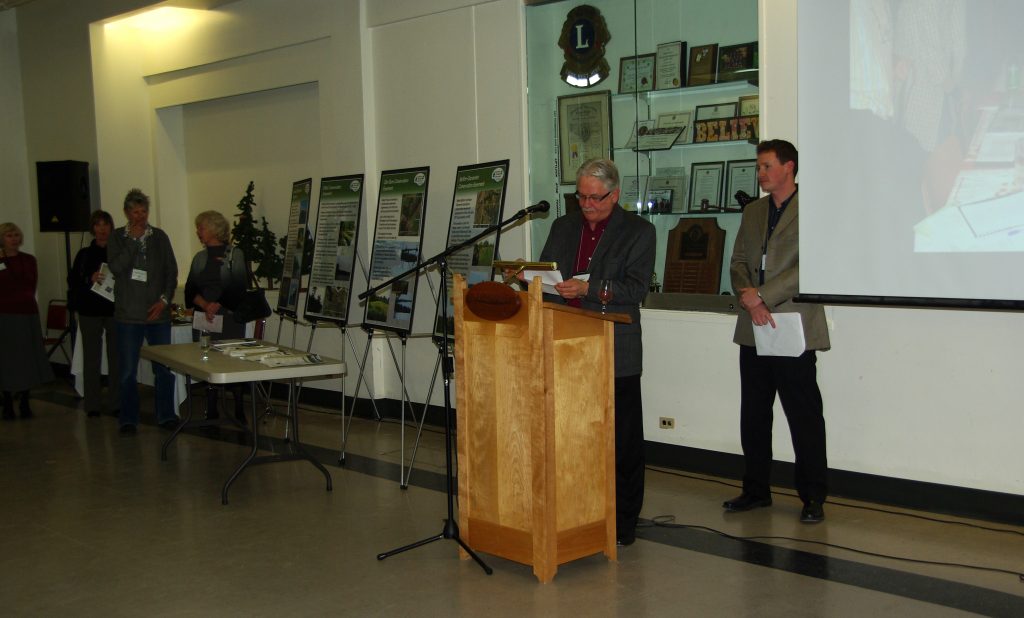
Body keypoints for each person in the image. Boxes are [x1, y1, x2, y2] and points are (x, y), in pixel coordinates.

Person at [531, 158, 656, 546]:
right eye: (580, 196)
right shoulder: (562, 226)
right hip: (565, 344)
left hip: (613, 347)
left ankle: (624, 523)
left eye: (595, 198)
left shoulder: (639, 231)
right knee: (572, 437)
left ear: (615, 195)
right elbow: (548, 271)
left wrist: (590, 288)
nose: (586, 205)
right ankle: (577, 513)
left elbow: (636, 290)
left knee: (622, 441)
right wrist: (531, 279)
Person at [725, 139, 831, 524]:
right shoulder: (753, 211)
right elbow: (738, 261)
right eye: (759, 168)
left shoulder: (812, 208)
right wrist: (748, 296)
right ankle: (755, 490)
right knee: (753, 414)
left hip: (793, 324)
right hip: (754, 327)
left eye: (768, 166)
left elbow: (812, 266)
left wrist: (764, 296)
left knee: (803, 416)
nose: (761, 174)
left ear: (789, 167)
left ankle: (813, 497)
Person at [107, 188, 179, 435]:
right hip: (128, 315)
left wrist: (164, 300)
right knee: (127, 371)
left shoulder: (160, 237)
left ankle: (166, 415)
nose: (140, 216)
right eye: (135, 212)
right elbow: (116, 268)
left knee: (163, 369)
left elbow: (171, 272)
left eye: (144, 211)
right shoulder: (117, 237)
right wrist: (134, 242)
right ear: (127, 213)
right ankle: (128, 419)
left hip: (157, 314)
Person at [184, 210, 249, 424]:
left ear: (213, 229)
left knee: (233, 360)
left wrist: (217, 305)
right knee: (207, 360)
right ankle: (210, 407)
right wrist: (205, 305)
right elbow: (190, 290)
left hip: (229, 317)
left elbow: (239, 286)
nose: (198, 232)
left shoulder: (235, 254)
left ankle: (239, 407)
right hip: (205, 318)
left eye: (201, 228)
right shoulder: (199, 258)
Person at [68, 210, 120, 418]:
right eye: (98, 225)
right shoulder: (84, 254)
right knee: (91, 358)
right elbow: (73, 282)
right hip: (90, 311)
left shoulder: (118, 252)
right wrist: (89, 279)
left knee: (116, 358)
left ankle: (116, 403)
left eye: (105, 224)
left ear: (111, 227)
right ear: (93, 229)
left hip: (114, 311)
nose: (102, 229)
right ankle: (92, 404)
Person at [0, 222, 54, 419]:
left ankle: (24, 400)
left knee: (25, 358)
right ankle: (6, 401)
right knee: (6, 359)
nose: (13, 239)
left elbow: (28, 283)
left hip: (26, 313)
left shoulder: (29, 260)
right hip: (4, 315)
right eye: (8, 235)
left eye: (16, 235)